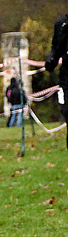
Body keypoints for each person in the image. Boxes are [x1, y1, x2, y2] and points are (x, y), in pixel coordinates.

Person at [45, 12, 68, 150]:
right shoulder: (61, 24)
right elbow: (55, 47)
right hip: (66, 76)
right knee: (66, 110)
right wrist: (51, 60)